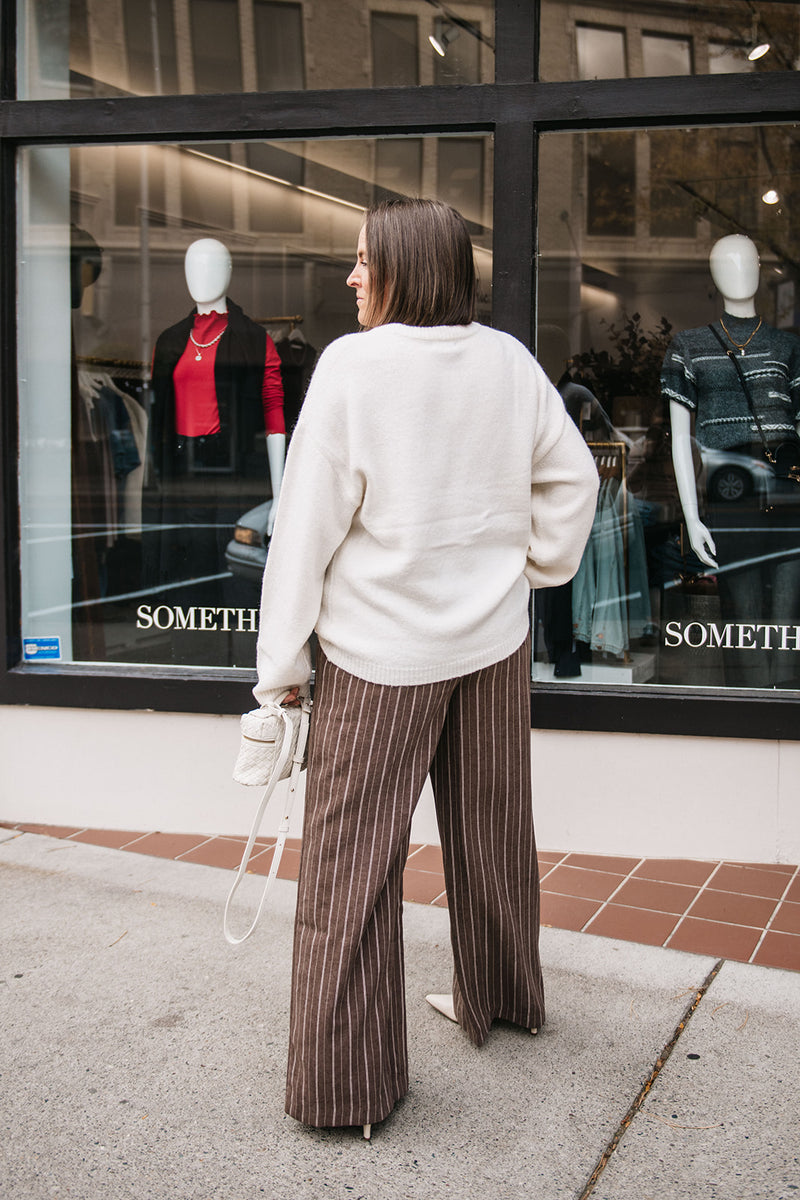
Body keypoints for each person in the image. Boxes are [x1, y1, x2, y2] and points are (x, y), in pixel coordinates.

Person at [252, 198, 599, 1137]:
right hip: (491, 645)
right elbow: (575, 480)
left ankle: (349, 1089)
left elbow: (303, 534)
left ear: (406, 267)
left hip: (380, 659)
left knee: (350, 866)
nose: (351, 276)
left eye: (364, 261)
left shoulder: (354, 369)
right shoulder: (509, 362)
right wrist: (533, 568)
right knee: (493, 834)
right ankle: (504, 1000)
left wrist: (279, 665)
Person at [664, 233, 800, 686]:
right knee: (741, 619)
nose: (736, 268)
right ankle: (749, 718)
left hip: (787, 487)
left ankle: (783, 717)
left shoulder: (787, 347)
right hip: (730, 489)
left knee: (787, 623)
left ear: (761, 269)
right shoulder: (689, 347)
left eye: (745, 260)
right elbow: (680, 440)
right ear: (712, 272)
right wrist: (692, 516)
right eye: (724, 260)